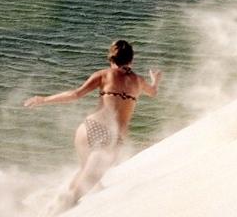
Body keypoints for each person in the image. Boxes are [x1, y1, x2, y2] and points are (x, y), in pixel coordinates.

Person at [24, 40, 161, 209]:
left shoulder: (104, 74)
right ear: (131, 61)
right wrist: (155, 80)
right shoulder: (139, 81)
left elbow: (75, 94)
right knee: (87, 183)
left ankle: (56, 203)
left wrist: (43, 99)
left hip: (89, 127)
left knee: (84, 171)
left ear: (111, 59)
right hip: (112, 136)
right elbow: (153, 92)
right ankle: (59, 209)